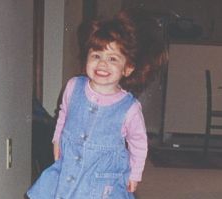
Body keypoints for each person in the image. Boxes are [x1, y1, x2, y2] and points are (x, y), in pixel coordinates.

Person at [27, 9, 159, 199]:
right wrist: (57, 139)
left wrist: (135, 174)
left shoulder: (129, 108)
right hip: (69, 165)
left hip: (102, 178)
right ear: (86, 58)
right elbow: (63, 114)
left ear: (127, 68)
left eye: (112, 59)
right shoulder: (73, 87)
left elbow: (138, 143)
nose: (102, 64)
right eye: (96, 55)